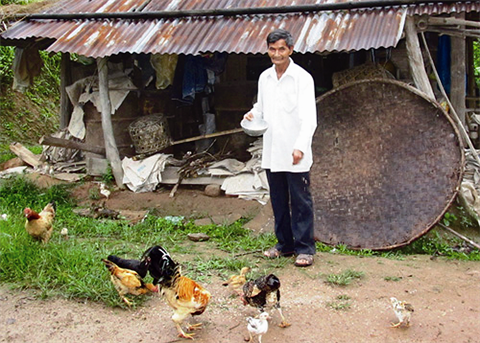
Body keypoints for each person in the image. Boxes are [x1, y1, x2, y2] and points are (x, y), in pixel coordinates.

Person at [243, 29, 317, 267]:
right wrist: (253, 113)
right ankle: (284, 245)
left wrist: (300, 147)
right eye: (272, 49)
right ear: (268, 50)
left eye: (281, 49)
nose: (277, 54)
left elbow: (310, 119)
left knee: (300, 201)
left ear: (291, 50)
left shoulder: (302, 78)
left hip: (295, 152)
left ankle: (305, 248)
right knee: (278, 199)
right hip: (273, 150)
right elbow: (261, 106)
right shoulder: (265, 77)